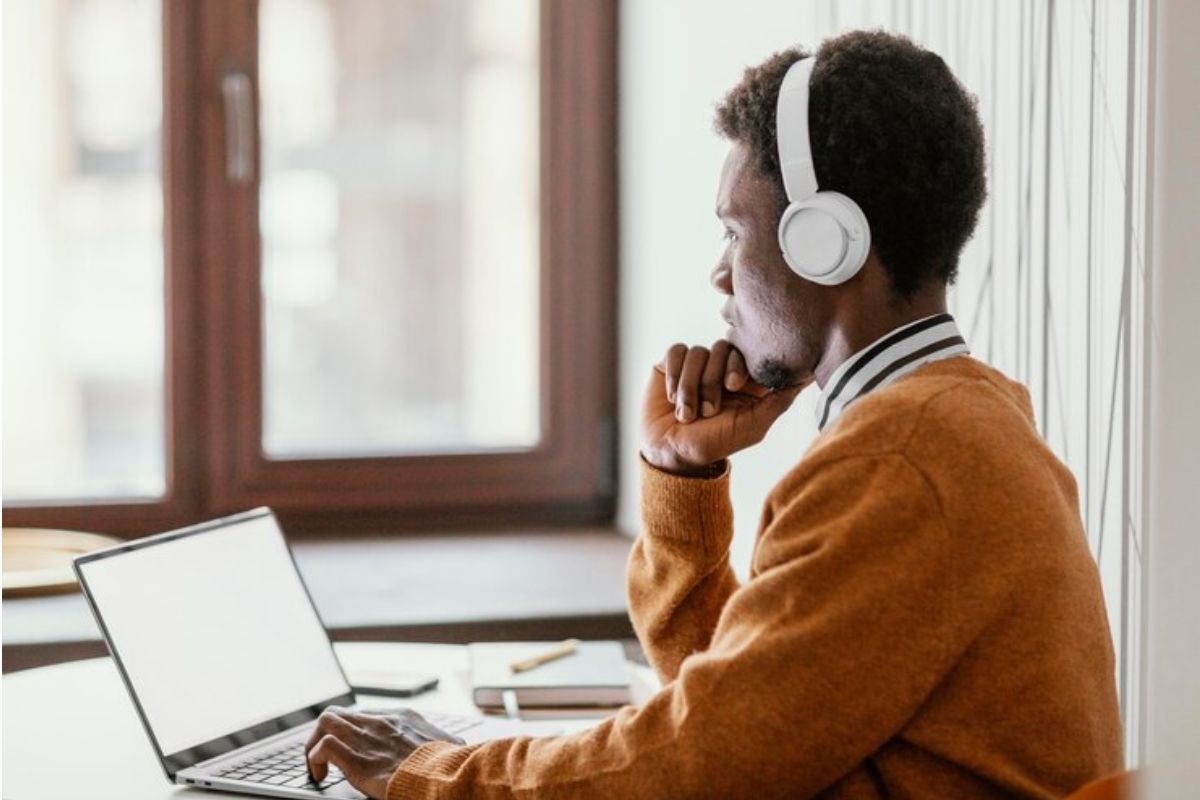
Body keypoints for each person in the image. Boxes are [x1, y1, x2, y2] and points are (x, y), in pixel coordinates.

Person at [304, 31, 1122, 799]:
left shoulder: (901, 460)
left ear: (823, 241)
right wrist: (681, 474)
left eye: (735, 230)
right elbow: (752, 713)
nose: (720, 274)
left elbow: (701, 766)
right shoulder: (956, 419)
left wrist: (435, 776)